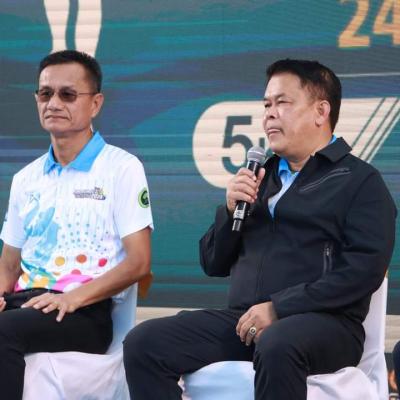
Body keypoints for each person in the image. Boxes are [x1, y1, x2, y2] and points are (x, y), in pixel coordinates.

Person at [123, 59, 396, 400]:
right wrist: (228, 211)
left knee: (278, 343)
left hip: (327, 326)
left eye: (282, 102)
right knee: (145, 342)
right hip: (245, 321)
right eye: (266, 105)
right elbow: (213, 263)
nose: (269, 114)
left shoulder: (360, 181)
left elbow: (362, 272)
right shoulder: (260, 177)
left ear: (321, 111)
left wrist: (280, 307)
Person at [0, 49, 153, 400]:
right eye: (45, 93)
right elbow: (8, 265)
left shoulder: (121, 168)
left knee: (2, 331)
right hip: (23, 304)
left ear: (95, 103)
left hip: (83, 312)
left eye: (67, 94)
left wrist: (72, 298)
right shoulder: (26, 178)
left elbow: (139, 262)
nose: (54, 103)